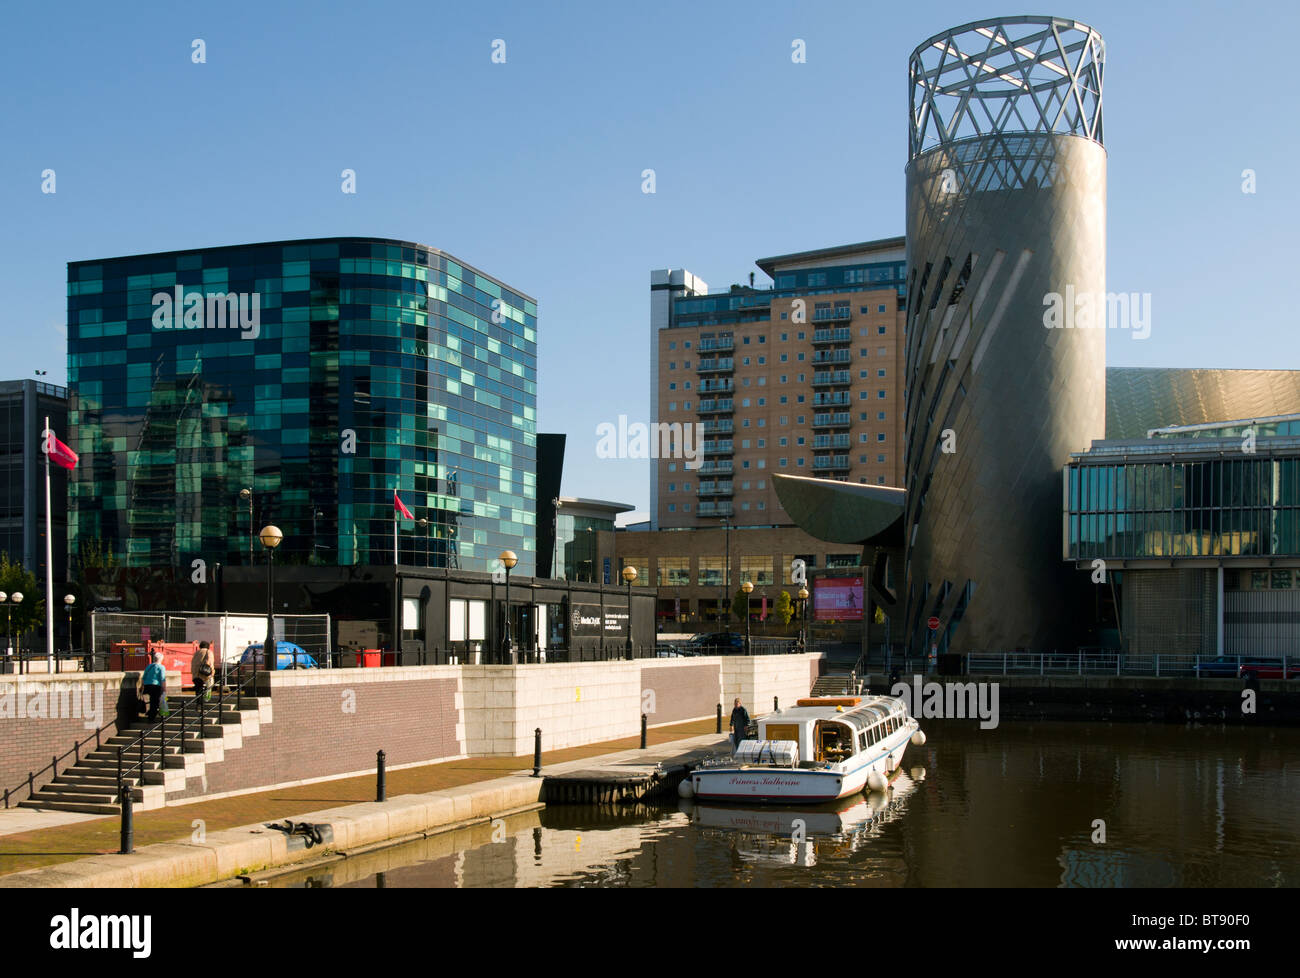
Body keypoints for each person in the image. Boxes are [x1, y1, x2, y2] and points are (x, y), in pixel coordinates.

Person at [141, 651, 166, 721]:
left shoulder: (149, 666)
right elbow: (162, 679)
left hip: (147, 686)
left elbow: (144, 677)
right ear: (161, 659)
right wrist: (164, 689)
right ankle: (151, 716)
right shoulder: (161, 667)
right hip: (156, 686)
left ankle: (151, 712)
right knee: (156, 702)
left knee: (153, 700)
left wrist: (142, 686)